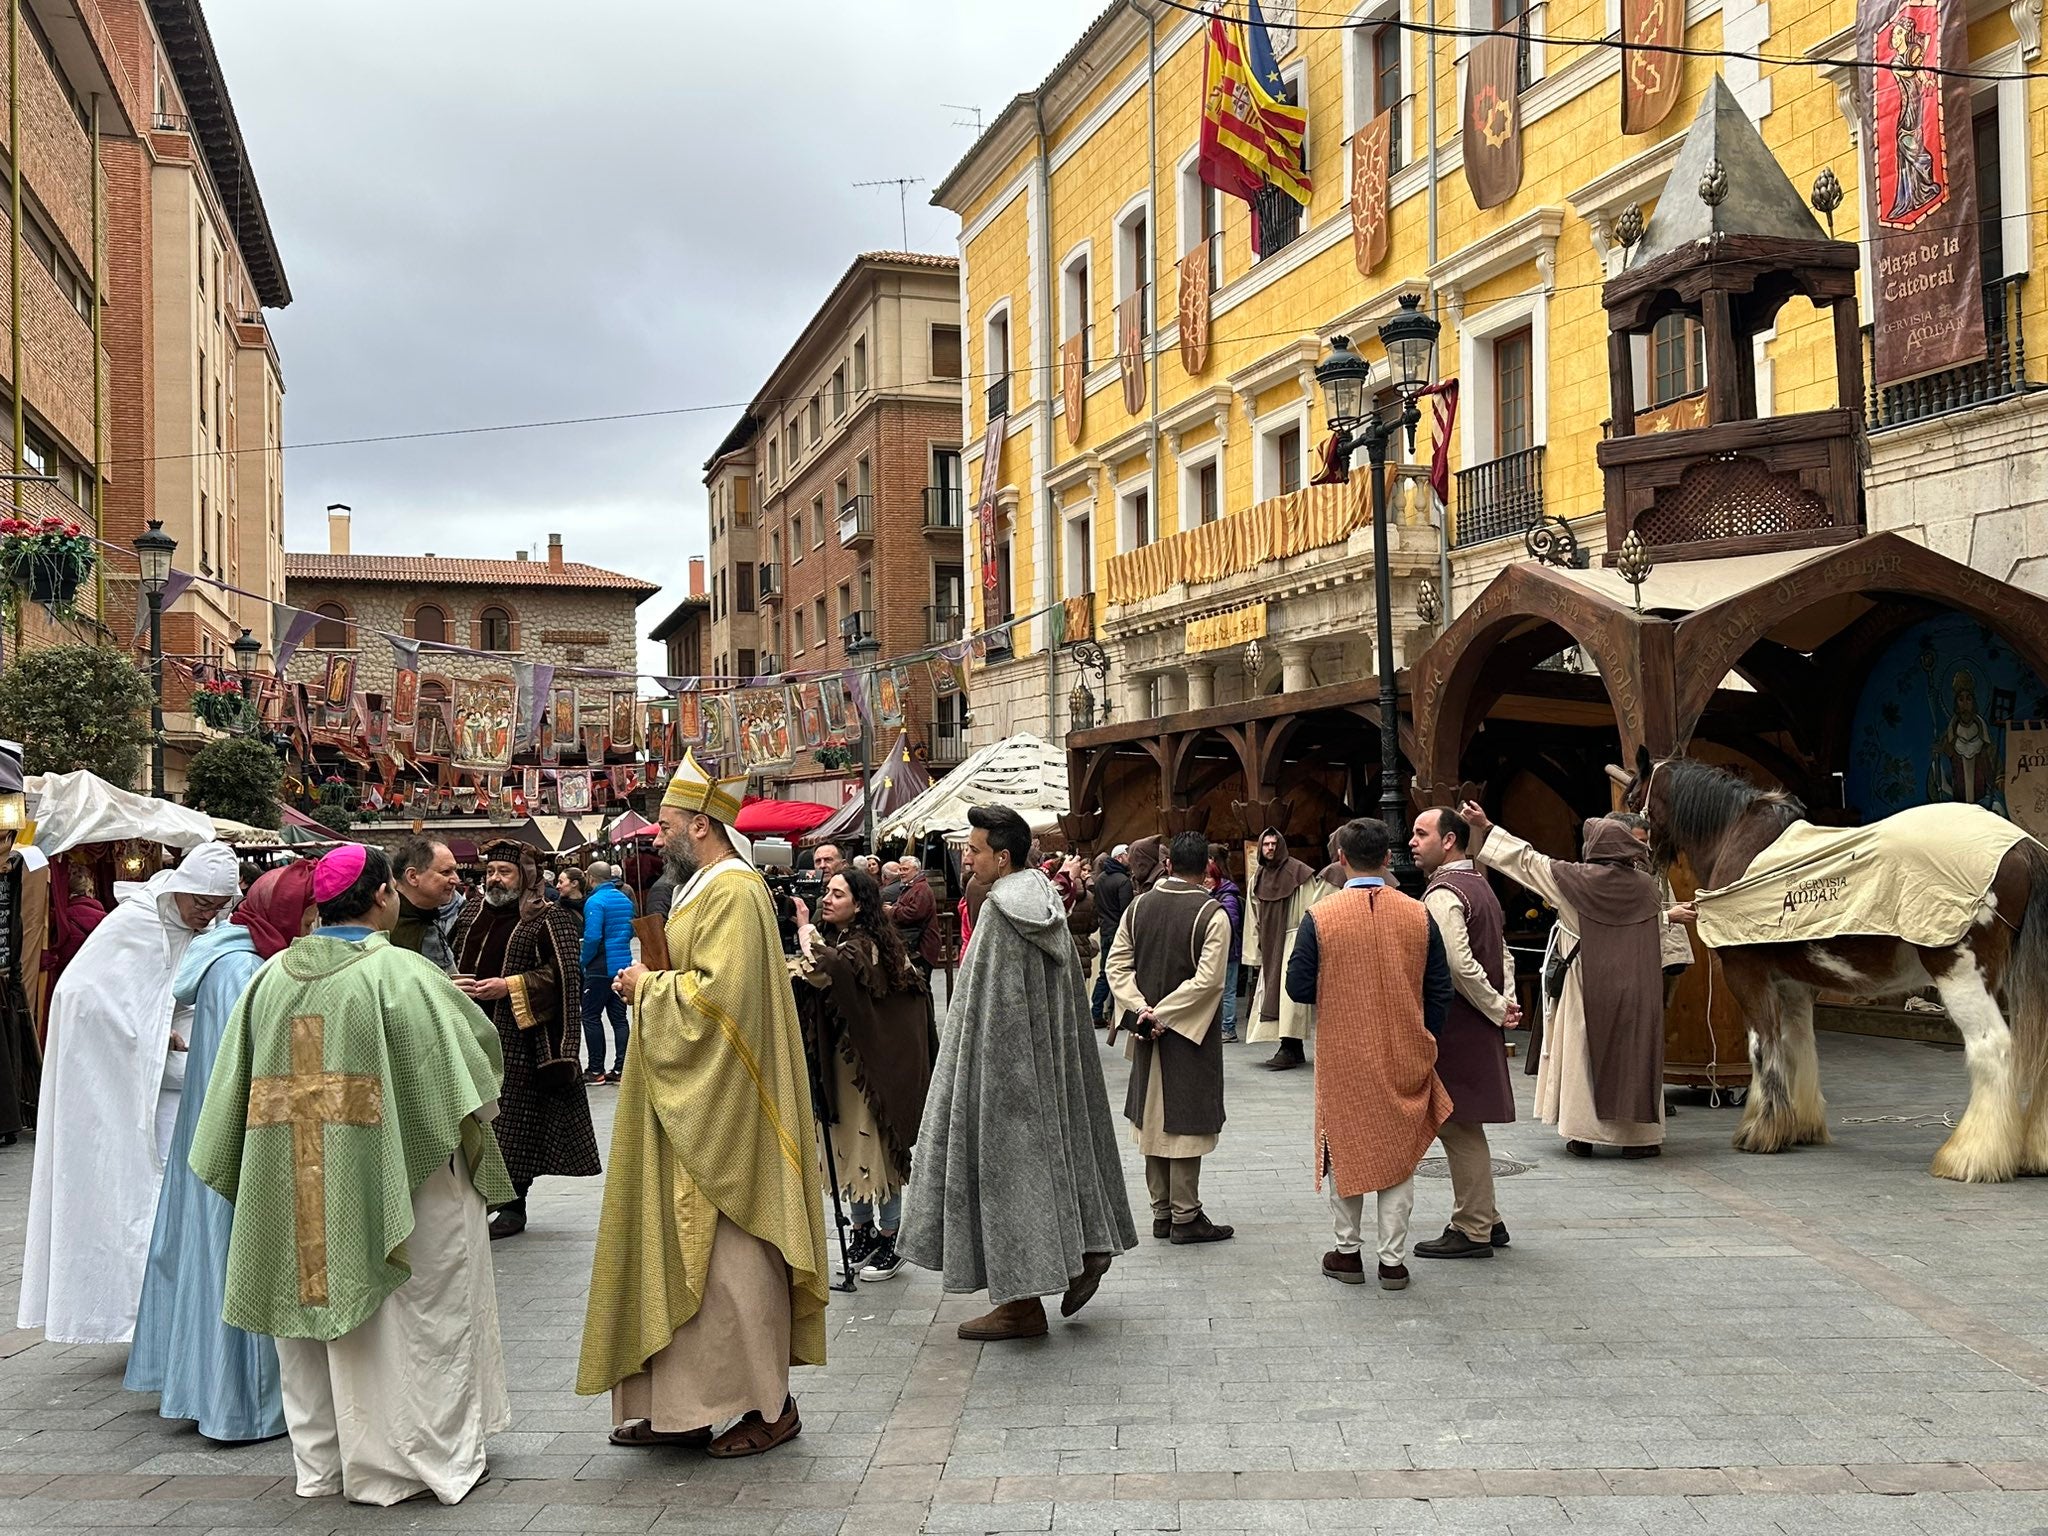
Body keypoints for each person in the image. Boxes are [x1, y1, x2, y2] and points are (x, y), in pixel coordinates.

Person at [189, 844, 513, 1506]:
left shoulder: (269, 978)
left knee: (309, 1313)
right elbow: (475, 1084)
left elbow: (229, 1096)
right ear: (383, 897)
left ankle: (325, 1462)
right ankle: (410, 1460)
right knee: (413, 1313)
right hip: (404, 1182)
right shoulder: (403, 976)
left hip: (290, 1175)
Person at [582, 751, 827, 1458]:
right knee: (683, 1254)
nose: (656, 838)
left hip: (727, 1112)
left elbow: (724, 1002)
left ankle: (767, 1406)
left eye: (665, 825)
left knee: (733, 1264)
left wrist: (647, 990)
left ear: (701, 825)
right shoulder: (696, 888)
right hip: (683, 1100)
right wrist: (650, 978)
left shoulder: (734, 891)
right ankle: (682, 1405)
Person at [898, 805, 1138, 1341]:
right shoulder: (1044, 894)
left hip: (1007, 1077)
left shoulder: (1002, 912)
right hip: (1051, 1067)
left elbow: (988, 1009)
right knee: (1060, 1158)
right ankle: (1085, 1250)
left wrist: (981, 1077)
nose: (966, 857)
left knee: (1008, 1176)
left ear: (1002, 857)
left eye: (974, 849)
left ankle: (1019, 1304)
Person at [127, 862, 319, 1442]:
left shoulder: (235, 960)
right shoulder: (244, 971)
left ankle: (202, 1386)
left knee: (209, 1257)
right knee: (232, 1259)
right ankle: (238, 1401)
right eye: (308, 916)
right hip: (237, 1139)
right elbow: (267, 1062)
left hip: (214, 1131)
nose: (312, 928)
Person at [18, 840, 240, 1343]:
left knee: (166, 1194)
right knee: (132, 1190)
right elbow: (82, 996)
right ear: (182, 889)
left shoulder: (200, 930)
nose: (206, 916)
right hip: (123, 1079)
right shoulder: (136, 923)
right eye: (201, 904)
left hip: (171, 1080)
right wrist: (152, 1029)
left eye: (216, 907)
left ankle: (164, 1312)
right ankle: (134, 1315)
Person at [1287, 818, 1454, 1293]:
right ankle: (1393, 1261)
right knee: (1399, 1156)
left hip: (1344, 1052)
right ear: (1387, 859)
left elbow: (1298, 987)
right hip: (1406, 1048)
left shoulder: (1321, 917)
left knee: (1344, 1146)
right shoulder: (1419, 915)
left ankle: (1346, 1252)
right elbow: (1441, 990)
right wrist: (1426, 1036)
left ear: (1341, 858)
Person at [1462, 800, 1667, 1159]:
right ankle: (1640, 1138)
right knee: (1637, 1050)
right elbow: (1656, 934)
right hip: (1638, 982)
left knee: (1583, 1052)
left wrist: (1488, 825)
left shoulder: (1572, 881)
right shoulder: (1647, 887)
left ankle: (1584, 1134)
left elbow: (1526, 861)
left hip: (1587, 981)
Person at [792, 867, 935, 1282]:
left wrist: (804, 930)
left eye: (838, 894)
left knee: (874, 1146)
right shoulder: (844, 940)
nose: (827, 899)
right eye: (827, 893)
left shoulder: (870, 945)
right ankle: (862, 1231)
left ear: (860, 903)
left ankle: (891, 1236)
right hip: (841, 1063)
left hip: (871, 1068)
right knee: (843, 1146)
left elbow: (827, 969)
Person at [452, 839, 600, 1238]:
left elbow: (566, 976)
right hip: (467, 1031)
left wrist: (512, 986)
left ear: (526, 876)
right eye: (490, 872)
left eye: (505, 872)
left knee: (512, 1122)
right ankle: (478, 1198)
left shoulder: (548, 918)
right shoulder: (470, 914)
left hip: (517, 1039)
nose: (495, 880)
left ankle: (514, 1203)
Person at [1107, 831, 1233, 1244]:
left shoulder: (1138, 906)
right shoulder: (1212, 914)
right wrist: (1161, 1013)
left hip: (1146, 1030)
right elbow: (1209, 982)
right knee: (1183, 1123)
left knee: (1152, 1120)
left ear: (1167, 864)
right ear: (1207, 868)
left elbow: (1117, 965)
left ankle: (1161, 1212)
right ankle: (1185, 1215)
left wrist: (1141, 1009)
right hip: (1187, 1033)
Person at [1408, 808, 1521, 1261]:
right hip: (1479, 1017)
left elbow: (1457, 965)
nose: (1412, 841)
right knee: (1463, 1121)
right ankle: (1488, 1220)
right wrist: (1505, 1001)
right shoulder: (1480, 886)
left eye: (1421, 833)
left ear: (1449, 840)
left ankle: (1472, 1226)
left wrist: (1496, 1006)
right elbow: (1503, 953)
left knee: (1457, 1123)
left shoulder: (1444, 892)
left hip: (1457, 1022)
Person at [1247, 828, 1322, 1070]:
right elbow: (1253, 915)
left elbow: (1310, 908)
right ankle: (1290, 1046)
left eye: (1273, 844)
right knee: (1273, 994)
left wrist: (1307, 944)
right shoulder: (1257, 877)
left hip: (1291, 939)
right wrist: (1254, 952)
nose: (1269, 848)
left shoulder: (1298, 873)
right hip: (1270, 943)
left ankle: (1290, 1046)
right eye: (1265, 844)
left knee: (1289, 998)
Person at [581, 860, 635, 1083]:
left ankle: (595, 1070)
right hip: (622, 964)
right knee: (619, 1019)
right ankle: (621, 1069)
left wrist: (583, 960)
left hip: (600, 966)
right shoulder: (624, 899)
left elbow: (593, 936)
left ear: (591, 878)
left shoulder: (595, 901)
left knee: (591, 1016)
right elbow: (631, 929)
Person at [390, 837, 462, 974]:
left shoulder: (428, 917)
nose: (456, 880)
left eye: (455, 872)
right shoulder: (387, 926)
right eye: (446, 872)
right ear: (412, 876)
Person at [1091, 844, 1135, 1026]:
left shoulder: (1101, 879)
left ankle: (1097, 1010)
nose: (1130, 859)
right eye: (1127, 855)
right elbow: (1126, 911)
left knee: (1105, 972)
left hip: (1105, 929)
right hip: (1119, 932)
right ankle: (1116, 1014)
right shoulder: (1123, 881)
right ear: (1119, 858)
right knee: (1120, 972)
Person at [1205, 845, 1245, 1045]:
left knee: (1228, 992)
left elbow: (1230, 923)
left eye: (1209, 878)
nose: (1206, 882)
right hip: (1222, 952)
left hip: (1229, 952)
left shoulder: (1227, 897)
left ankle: (1228, 1029)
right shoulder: (1216, 894)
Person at [885, 856, 938, 979]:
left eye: (905, 869)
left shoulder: (921, 888)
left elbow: (914, 913)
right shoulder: (913, 887)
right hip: (917, 943)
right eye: (900, 869)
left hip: (922, 945)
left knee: (921, 983)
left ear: (916, 870)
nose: (902, 873)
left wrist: (892, 910)